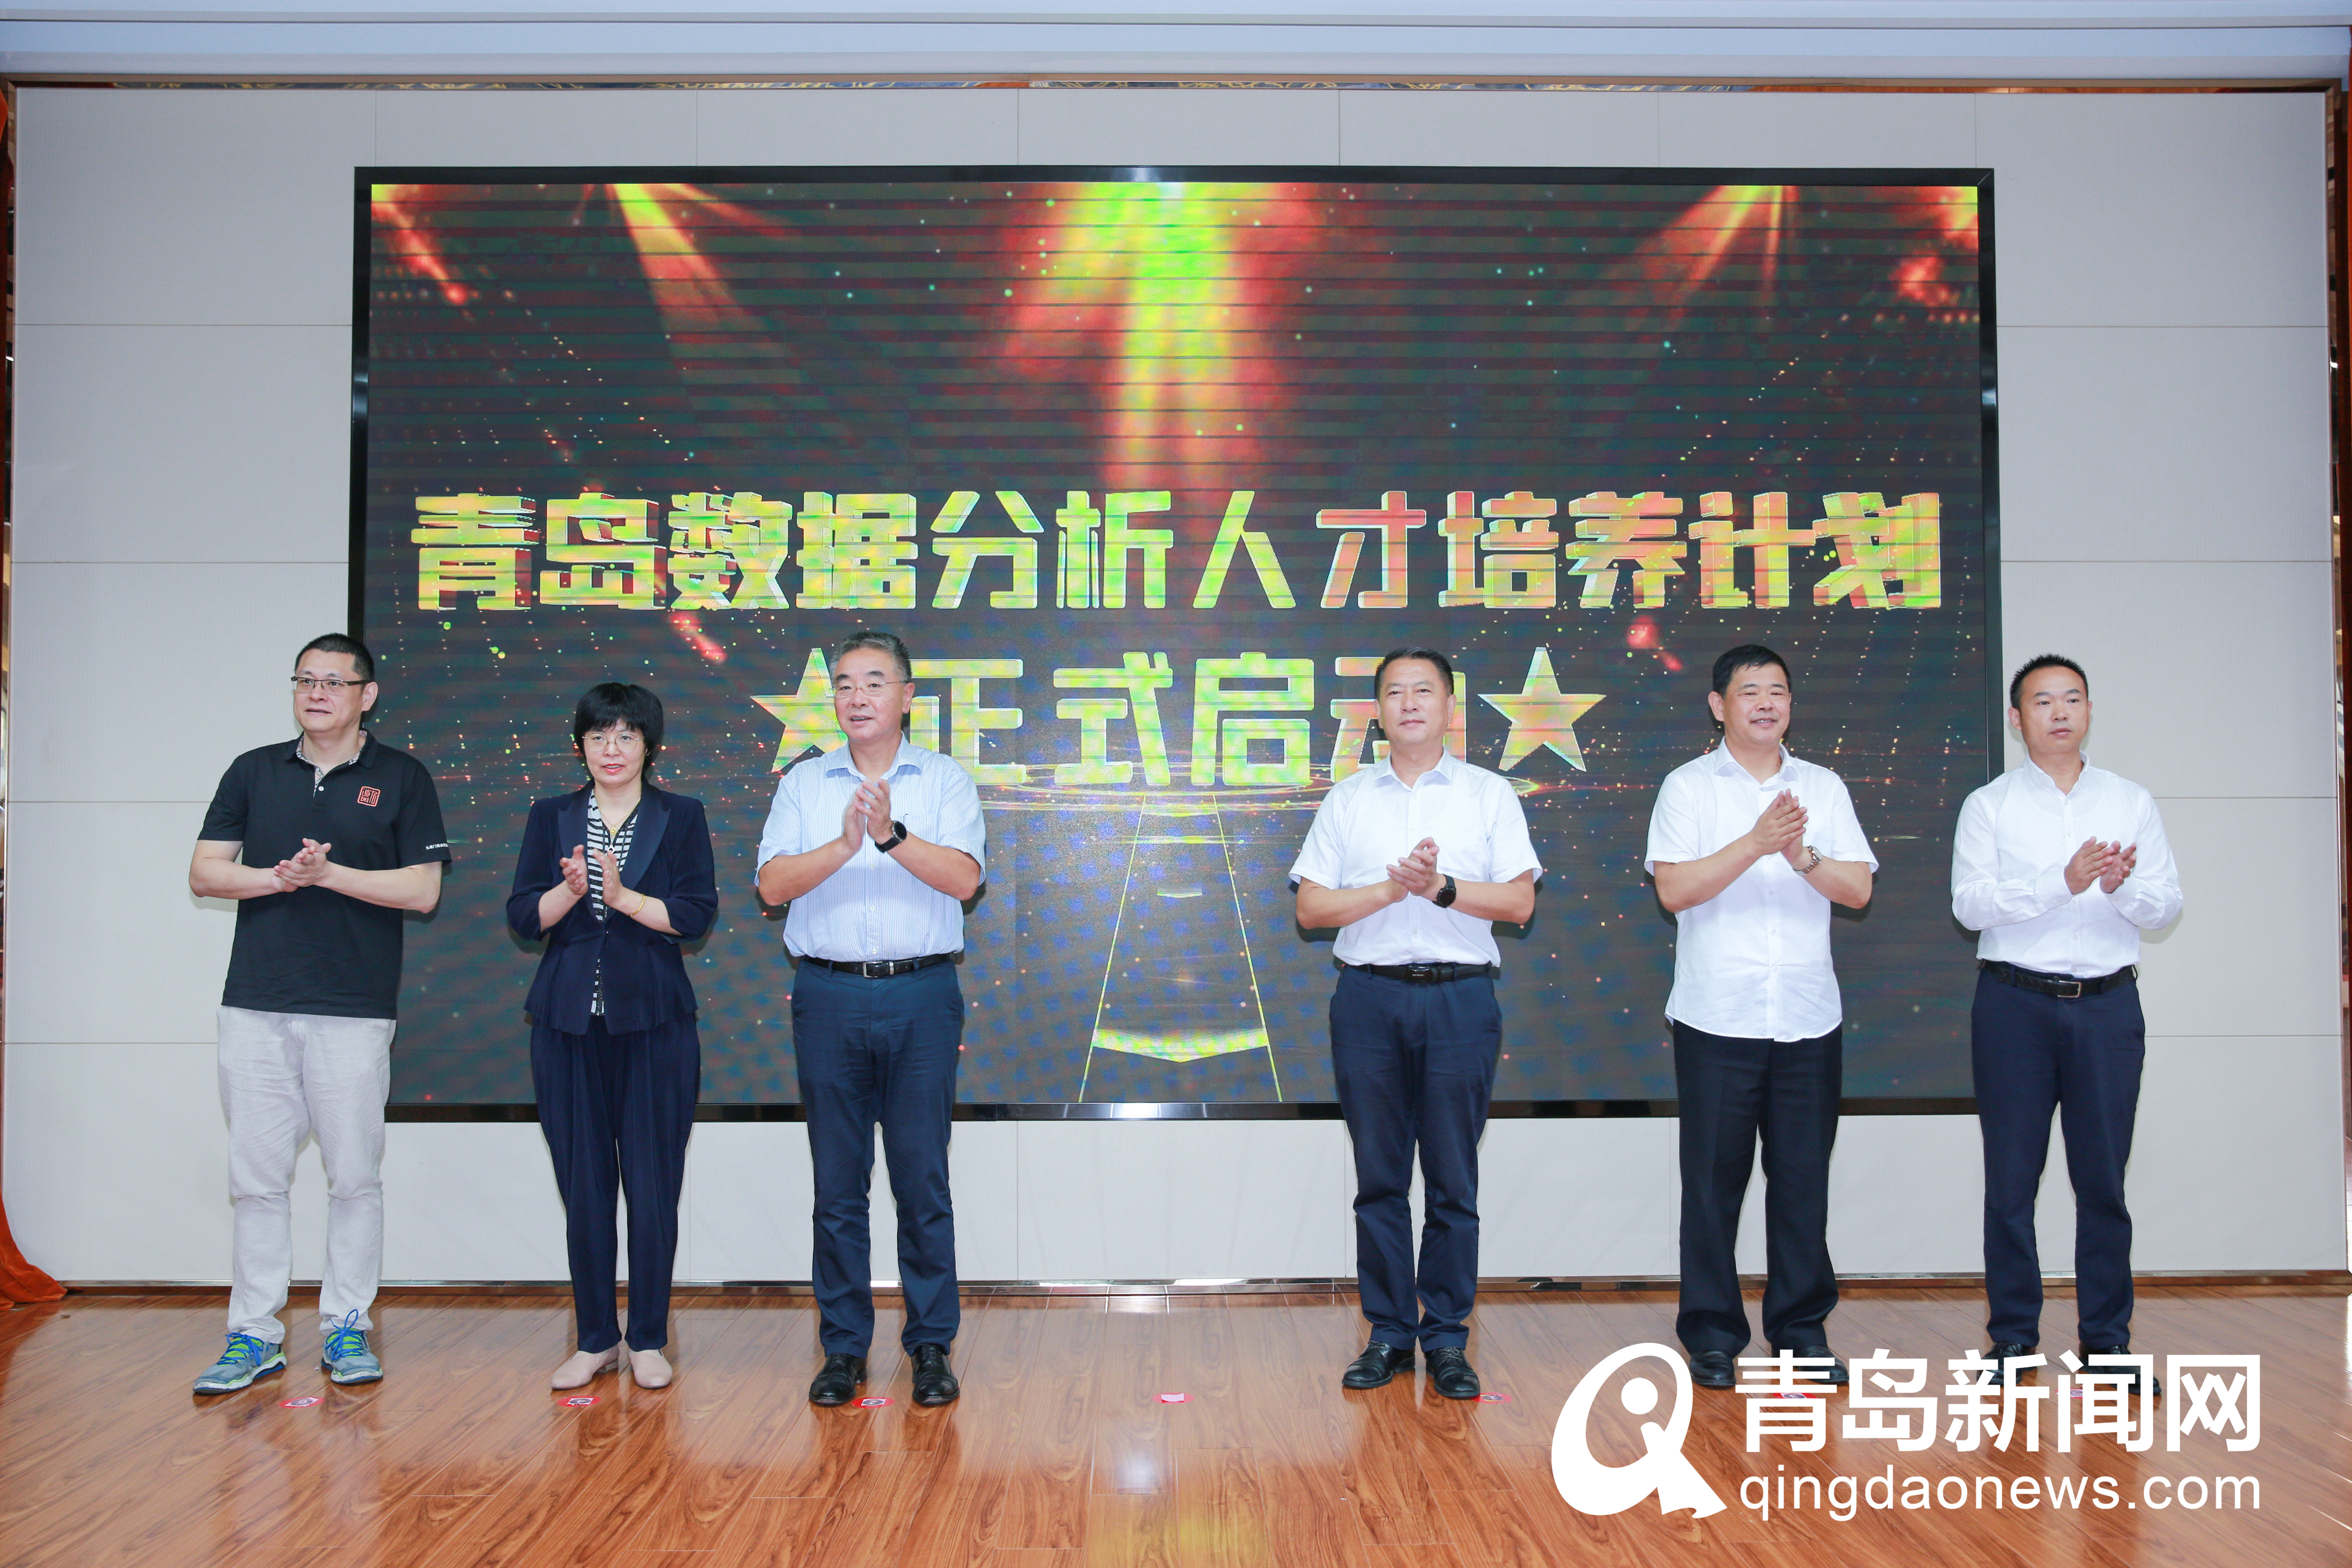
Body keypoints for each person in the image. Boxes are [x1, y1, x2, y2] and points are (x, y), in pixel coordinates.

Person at [186, 634, 450, 1393]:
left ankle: (346, 1326)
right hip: (256, 1004)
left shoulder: (401, 776)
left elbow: (422, 891)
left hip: (353, 1009)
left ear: (368, 695)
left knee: (353, 1177)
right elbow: (205, 873)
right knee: (257, 1180)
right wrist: (282, 879)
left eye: (335, 681)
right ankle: (254, 1334)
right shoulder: (254, 770)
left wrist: (329, 874)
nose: (317, 693)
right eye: (306, 680)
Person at [1290, 648, 1540, 1399]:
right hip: (1368, 1001)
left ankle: (1448, 1339)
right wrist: (1389, 890)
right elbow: (1311, 909)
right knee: (1379, 1180)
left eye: (1423, 691)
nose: (1408, 703)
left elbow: (1518, 903)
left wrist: (1439, 889)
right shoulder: (1348, 799)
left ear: (1449, 707)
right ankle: (1389, 1333)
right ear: (1377, 712)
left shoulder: (1488, 795)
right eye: (1394, 692)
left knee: (1453, 1181)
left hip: (1459, 1001)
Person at [754, 630, 985, 1408]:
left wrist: (889, 836)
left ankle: (930, 1345)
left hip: (921, 995)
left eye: (875, 683)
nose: (857, 698)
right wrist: (845, 843)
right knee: (838, 1186)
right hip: (828, 997)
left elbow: (964, 880)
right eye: (845, 684)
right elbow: (772, 887)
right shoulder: (805, 783)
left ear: (907, 696)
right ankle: (844, 1349)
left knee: (922, 1182)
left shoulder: (944, 780)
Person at [1646, 644, 1877, 1392]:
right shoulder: (1687, 788)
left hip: (1807, 1016)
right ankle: (1713, 1335)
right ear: (1719, 706)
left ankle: (1801, 1332)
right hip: (1717, 1017)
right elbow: (1674, 890)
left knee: (1802, 1182)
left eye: (1777, 690)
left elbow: (1857, 891)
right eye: (1750, 691)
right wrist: (1755, 844)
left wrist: (1801, 855)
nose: (1766, 703)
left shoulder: (1822, 786)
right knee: (1712, 1186)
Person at [1952, 655, 2180, 1380]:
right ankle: (2012, 1339)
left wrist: (2117, 887)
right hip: (2013, 1006)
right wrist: (2062, 882)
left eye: (2072, 699)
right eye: (2042, 701)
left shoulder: (2129, 800)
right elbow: (1970, 905)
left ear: (2088, 711)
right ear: (2016, 719)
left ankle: (2107, 1343)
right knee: (2010, 1184)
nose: (2059, 712)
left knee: (2103, 1182)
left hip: (2107, 1007)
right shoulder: (1989, 805)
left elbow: (2165, 906)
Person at [507, 683, 716, 1392]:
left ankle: (648, 1336)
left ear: (650, 747)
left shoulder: (681, 815)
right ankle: (595, 1338)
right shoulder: (551, 816)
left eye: (627, 736)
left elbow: (696, 915)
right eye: (599, 736)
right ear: (580, 746)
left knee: (653, 1187)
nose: (613, 749)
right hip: (567, 1024)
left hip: (655, 1023)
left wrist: (622, 897)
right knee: (585, 1187)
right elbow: (522, 917)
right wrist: (569, 891)